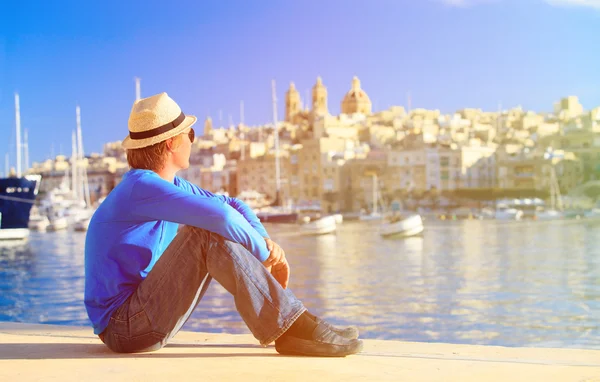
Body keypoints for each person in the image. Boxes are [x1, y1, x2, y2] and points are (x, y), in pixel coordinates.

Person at [84, 92, 363, 357]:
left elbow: (233, 205)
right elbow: (222, 218)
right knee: (204, 233)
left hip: (141, 319)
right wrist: (266, 257)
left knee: (208, 228)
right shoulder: (140, 187)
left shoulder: (168, 186)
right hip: (124, 328)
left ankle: (296, 322)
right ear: (171, 143)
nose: (193, 141)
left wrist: (267, 241)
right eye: (190, 134)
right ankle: (293, 327)